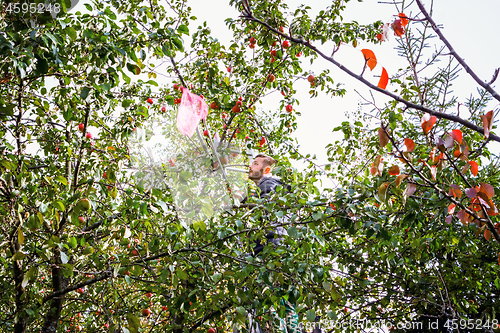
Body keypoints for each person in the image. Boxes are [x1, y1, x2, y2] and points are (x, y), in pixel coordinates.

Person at [242, 154, 301, 333]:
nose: (250, 166)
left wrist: (243, 202)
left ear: (266, 170)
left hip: (269, 254)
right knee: (288, 306)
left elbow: (264, 213)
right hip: (284, 255)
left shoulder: (267, 185)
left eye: (256, 163)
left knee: (270, 304)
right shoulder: (278, 188)